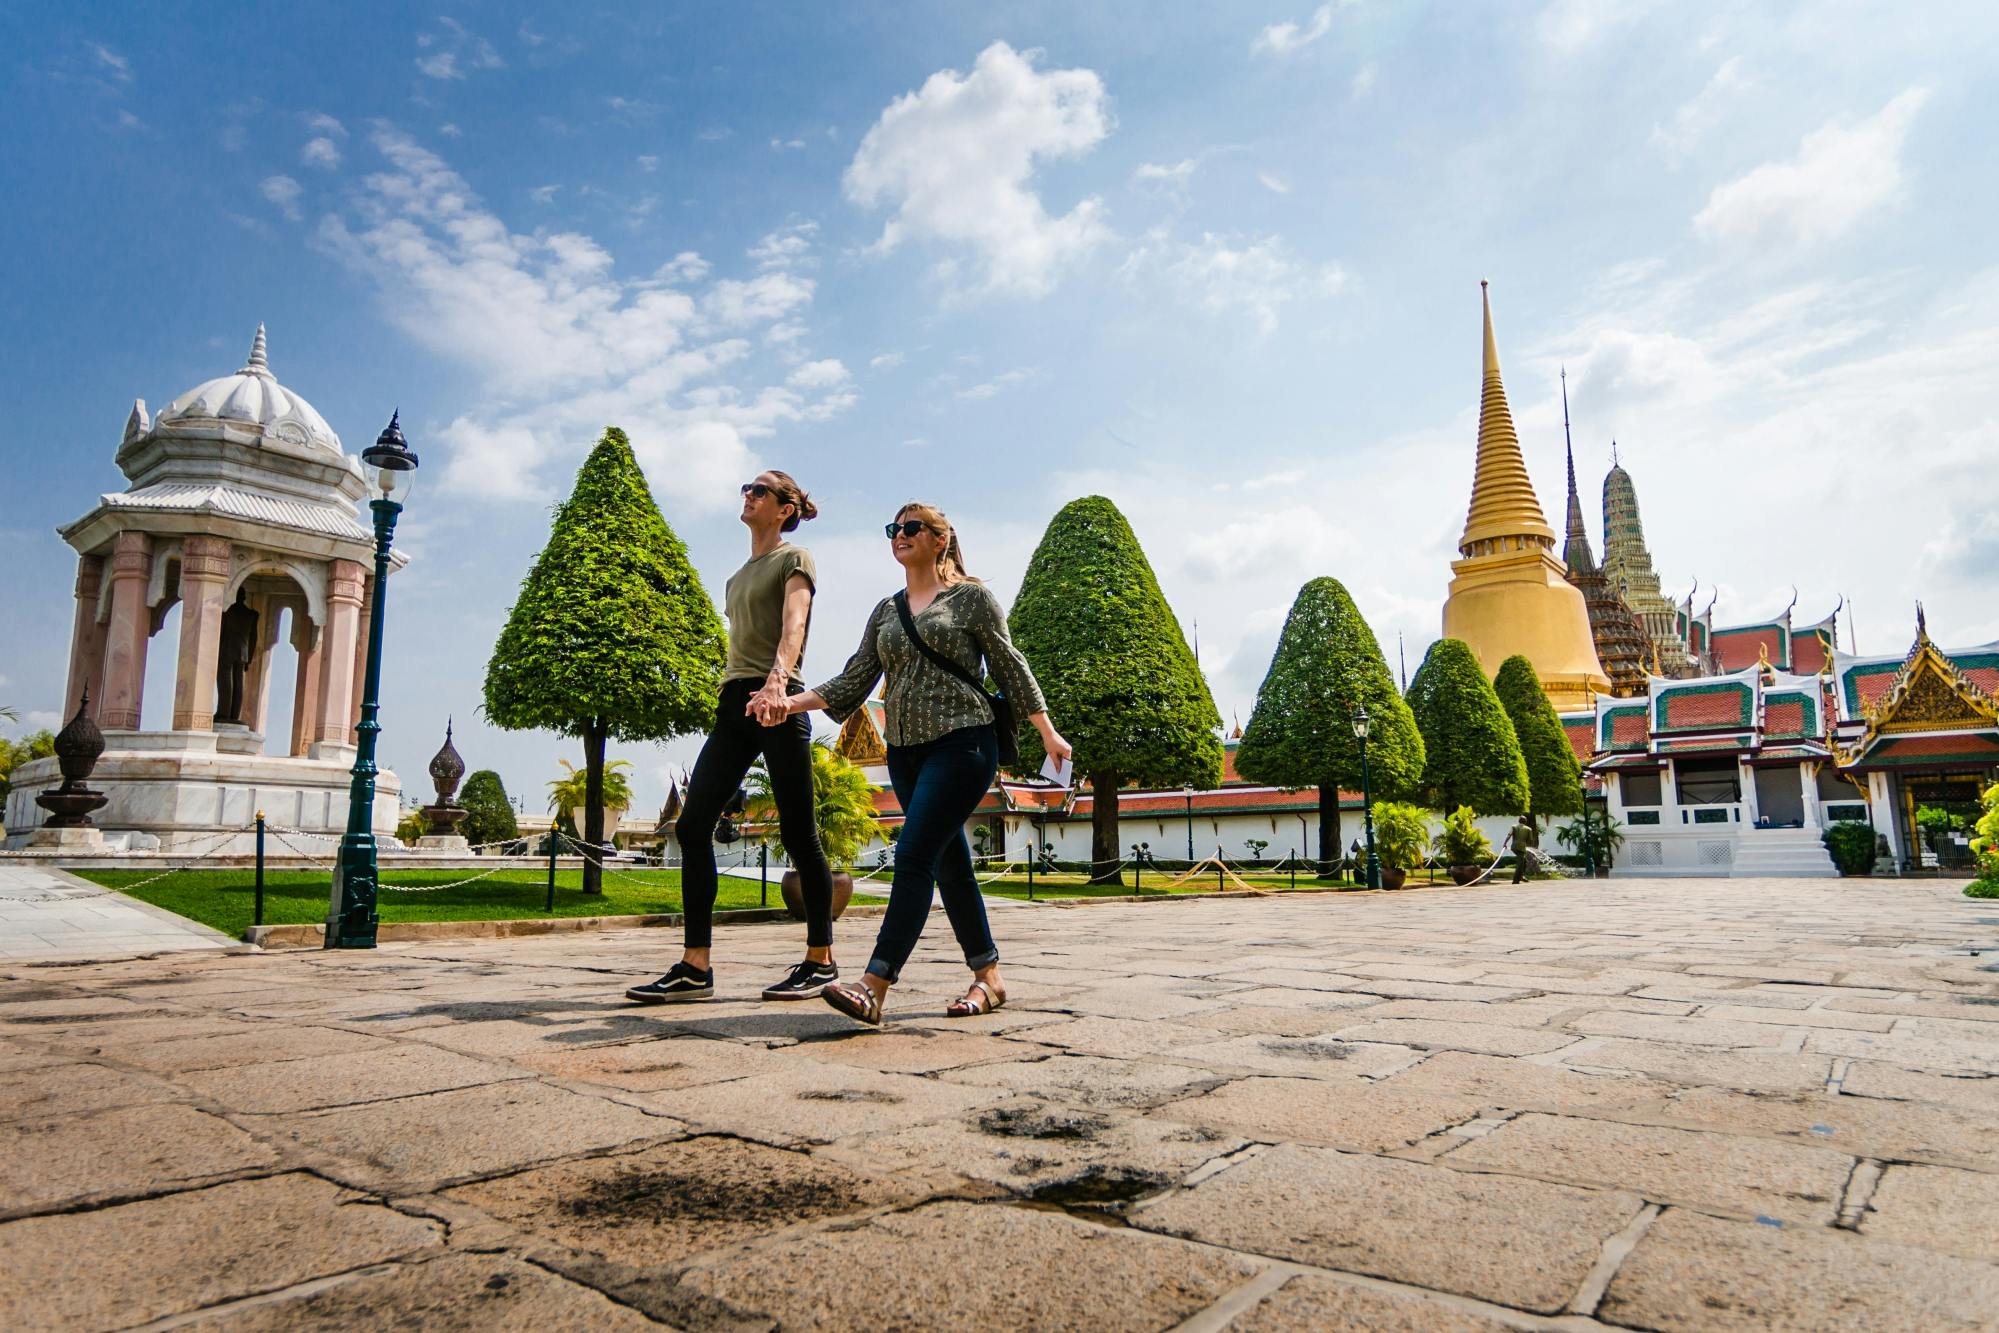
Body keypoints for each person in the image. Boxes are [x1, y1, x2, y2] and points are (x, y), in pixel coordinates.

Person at [765, 502, 1071, 1026]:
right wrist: (788, 701)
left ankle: (874, 983)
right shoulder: (886, 611)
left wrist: (1047, 731)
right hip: (905, 753)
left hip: (964, 743)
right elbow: (853, 678)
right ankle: (989, 977)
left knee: (912, 855)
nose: (900, 536)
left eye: (911, 528)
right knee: (950, 864)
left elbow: (1008, 663)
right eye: (894, 529)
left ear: (940, 539)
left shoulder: (970, 599)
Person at [626, 471, 840, 1005]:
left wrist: (777, 682)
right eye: (747, 488)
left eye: (760, 491)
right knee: (694, 825)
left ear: (785, 509)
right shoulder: (736, 576)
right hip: (735, 703)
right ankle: (694, 966)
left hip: (780, 700)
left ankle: (821, 959)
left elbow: (794, 624)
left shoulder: (796, 560)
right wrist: (743, 691)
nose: (749, 496)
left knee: (799, 833)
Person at [1509, 813, 1539, 883]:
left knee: (1524, 861)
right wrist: (1530, 847)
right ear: (1525, 821)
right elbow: (1530, 840)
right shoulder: (1528, 829)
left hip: (1514, 847)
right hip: (1521, 848)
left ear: (1519, 821)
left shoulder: (1513, 826)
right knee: (1520, 864)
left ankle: (1521, 876)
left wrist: (1505, 843)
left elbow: (1509, 835)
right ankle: (1516, 880)